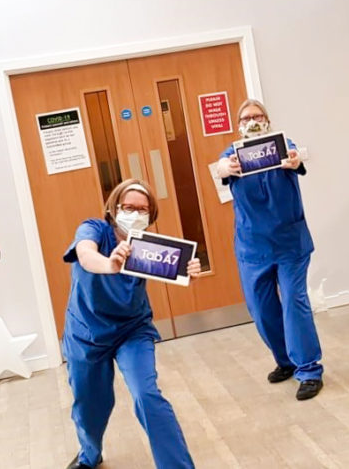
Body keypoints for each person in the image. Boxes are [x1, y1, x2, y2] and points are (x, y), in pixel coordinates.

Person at [62, 179, 200, 469]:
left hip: (132, 330)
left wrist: (190, 269)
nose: (135, 214)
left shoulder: (149, 246)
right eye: (128, 207)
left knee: (146, 395)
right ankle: (89, 453)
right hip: (86, 332)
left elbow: (180, 270)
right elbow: (85, 255)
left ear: (151, 215)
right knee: (90, 404)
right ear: (114, 209)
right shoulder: (94, 229)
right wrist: (109, 264)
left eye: (142, 210)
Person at [216, 99, 324, 401]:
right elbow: (221, 168)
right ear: (238, 125)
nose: (253, 122)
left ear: (267, 120)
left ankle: (309, 370)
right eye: (246, 118)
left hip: (290, 244)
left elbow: (296, 159)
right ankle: (286, 360)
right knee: (262, 311)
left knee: (293, 303)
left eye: (258, 116)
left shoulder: (282, 146)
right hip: (253, 248)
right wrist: (226, 167)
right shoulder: (233, 155)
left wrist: (294, 160)